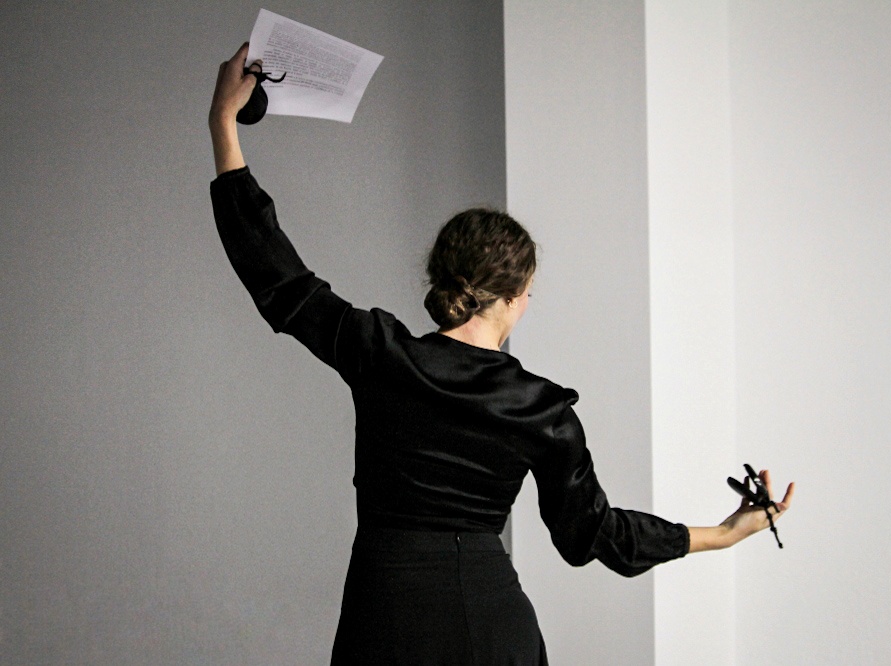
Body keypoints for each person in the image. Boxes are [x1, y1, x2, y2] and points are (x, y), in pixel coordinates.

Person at [209, 44, 794, 665]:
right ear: (514, 299)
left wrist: (224, 124)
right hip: (490, 620)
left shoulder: (379, 353)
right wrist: (726, 535)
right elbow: (591, 535)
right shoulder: (542, 408)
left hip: (385, 611)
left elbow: (280, 280)